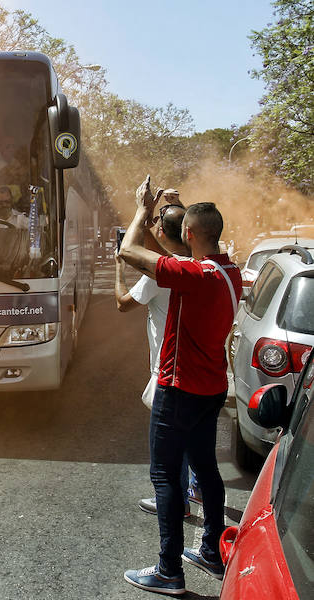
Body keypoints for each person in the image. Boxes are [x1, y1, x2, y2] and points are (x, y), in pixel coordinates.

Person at [120, 177, 241, 595]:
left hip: (179, 389)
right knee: (206, 468)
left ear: (190, 235)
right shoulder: (228, 271)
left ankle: (168, 569)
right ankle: (210, 549)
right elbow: (175, 249)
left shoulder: (195, 277)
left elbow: (129, 251)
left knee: (164, 477)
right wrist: (175, 216)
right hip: (210, 389)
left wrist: (141, 209)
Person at [114, 199, 202, 517]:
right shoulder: (198, 264)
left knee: (167, 448)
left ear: (162, 232)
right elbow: (161, 246)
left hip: (169, 369)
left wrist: (117, 269)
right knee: (193, 434)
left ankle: (177, 506)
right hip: (199, 366)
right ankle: (198, 490)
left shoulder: (160, 274)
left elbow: (123, 303)